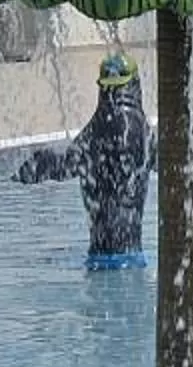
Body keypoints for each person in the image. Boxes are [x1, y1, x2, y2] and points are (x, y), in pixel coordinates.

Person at [14, 50, 151, 268]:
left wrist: (31, 169)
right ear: (135, 84)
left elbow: (65, 165)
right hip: (133, 256)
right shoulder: (143, 129)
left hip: (100, 258)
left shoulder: (97, 129)